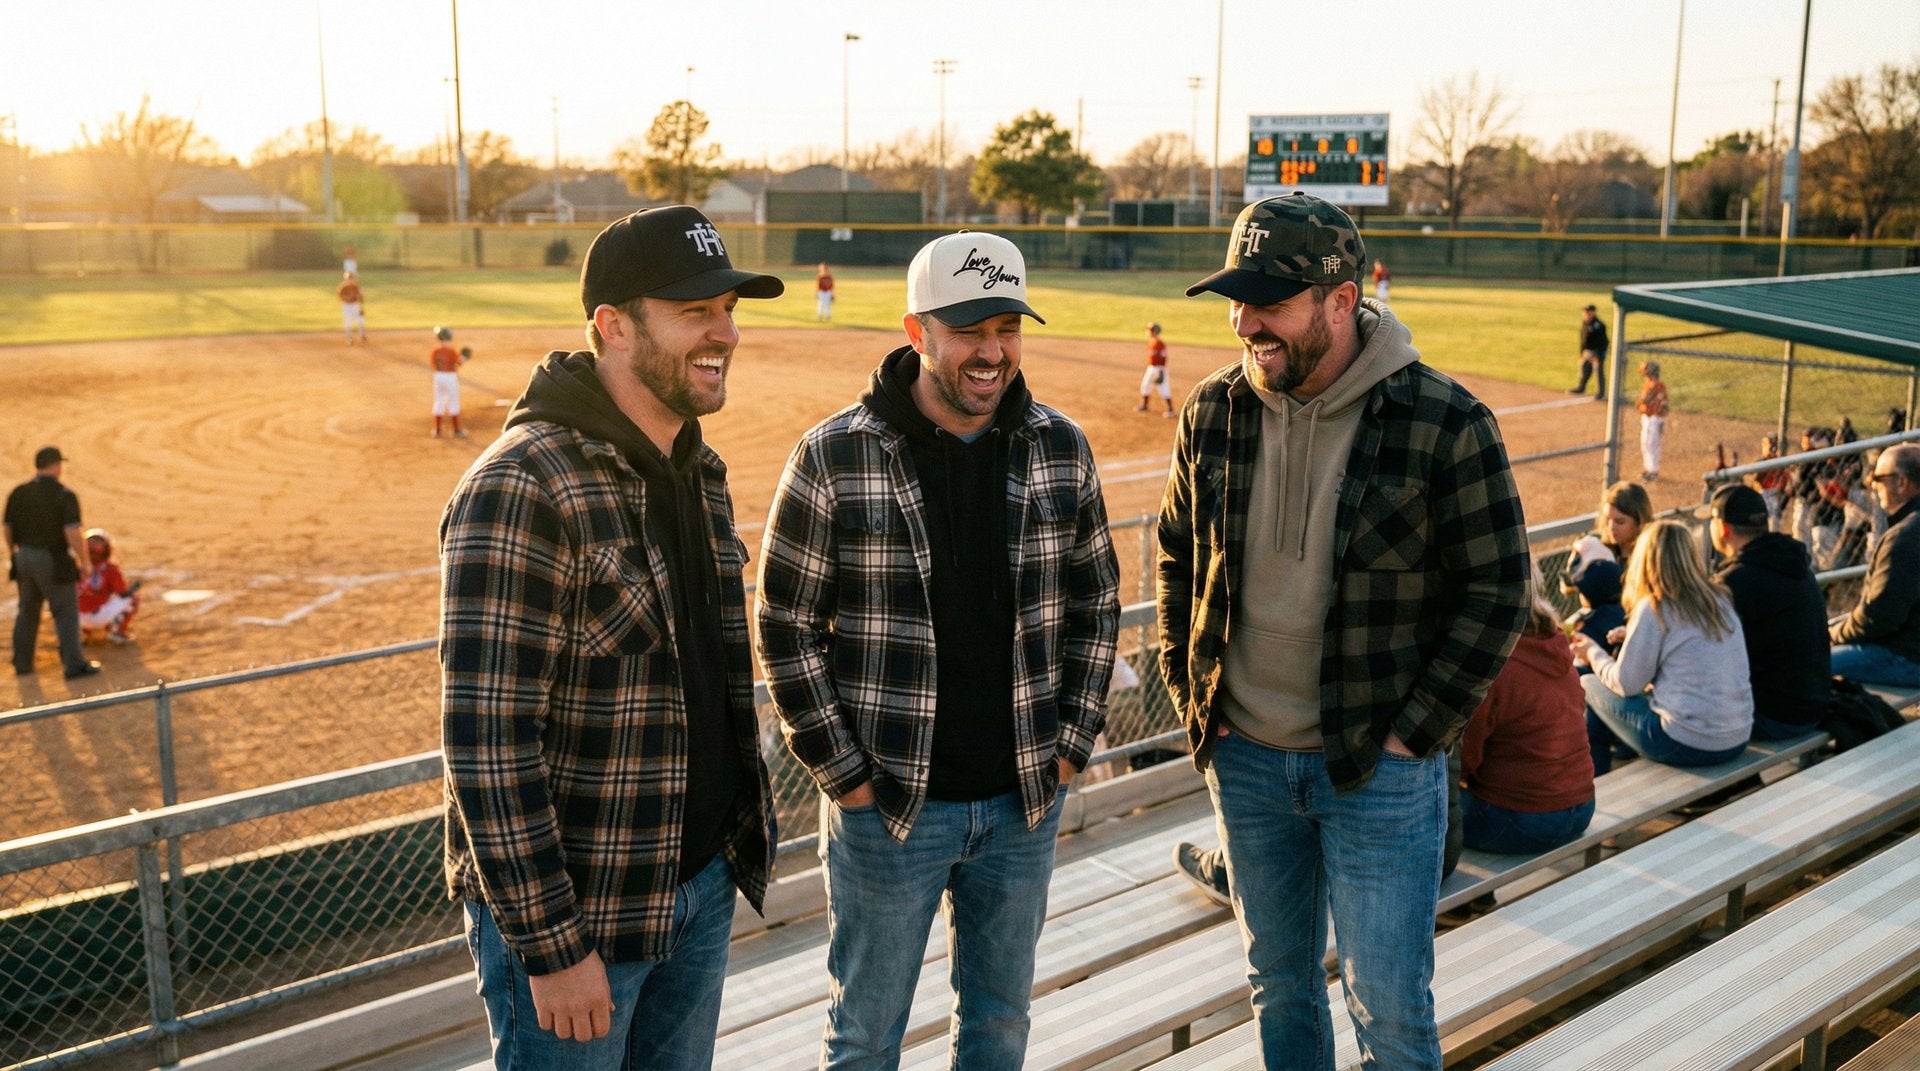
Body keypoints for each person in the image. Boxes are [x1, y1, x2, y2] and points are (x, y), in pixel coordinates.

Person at [1158, 192, 1530, 1069]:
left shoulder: (1445, 421)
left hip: (1377, 770)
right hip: (1244, 756)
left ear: (1340, 298)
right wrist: (1192, 694)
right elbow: (1176, 555)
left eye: (1270, 301)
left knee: (1391, 1011)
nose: (1247, 322)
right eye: (1239, 301)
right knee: (1278, 985)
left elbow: (1501, 590)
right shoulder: (1213, 412)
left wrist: (1414, 734)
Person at [756, 229, 1121, 1069]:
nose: (993, 351)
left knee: (999, 1026)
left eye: (1007, 326)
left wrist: (1068, 750)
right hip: (888, 809)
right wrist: (844, 776)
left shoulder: (1059, 445)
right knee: (865, 1035)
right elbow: (784, 626)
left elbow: (1097, 606)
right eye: (969, 330)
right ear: (918, 331)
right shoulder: (833, 453)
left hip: (1023, 801)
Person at [439, 205, 781, 1071]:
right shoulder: (523, 483)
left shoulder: (696, 467)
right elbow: (485, 741)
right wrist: (552, 947)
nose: (725, 332)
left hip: (697, 885)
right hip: (583, 918)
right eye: (696, 310)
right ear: (613, 325)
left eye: (731, 308)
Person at [1572, 519, 1753, 776]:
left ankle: (1596, 780)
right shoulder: (1718, 599)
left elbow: (1626, 683)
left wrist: (1592, 652)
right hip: (1737, 737)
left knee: (1590, 684)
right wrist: (1633, 636)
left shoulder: (1655, 606)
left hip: (1683, 743)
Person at [1460, 559, 1594, 854]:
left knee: (1425, 811)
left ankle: (1470, 898)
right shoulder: (1554, 642)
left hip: (1523, 819)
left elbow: (1464, 759)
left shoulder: (1495, 661)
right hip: (1582, 806)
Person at [1701, 483, 1829, 739]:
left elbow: (1708, 659)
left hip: (1775, 717)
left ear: (1723, 528)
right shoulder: (1795, 563)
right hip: (1814, 705)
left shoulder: (1734, 582)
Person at [1829, 443, 1920, 686]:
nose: (1871, 484)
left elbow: (1879, 617)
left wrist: (1836, 634)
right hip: (1908, 646)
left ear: (1901, 482)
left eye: (1878, 478)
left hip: (1906, 656)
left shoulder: (1906, 536)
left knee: (1806, 663)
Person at [6, 446, 100, 680]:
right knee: (65, 611)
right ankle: (74, 665)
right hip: (52, 559)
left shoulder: (19, 492)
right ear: (56, 466)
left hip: (24, 556)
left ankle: (22, 663)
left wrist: (14, 554)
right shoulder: (64, 494)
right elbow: (71, 532)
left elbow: (7, 528)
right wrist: (84, 560)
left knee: (27, 610)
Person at [76, 527, 139, 645]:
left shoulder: (76, 567)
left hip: (75, 619)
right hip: (99, 618)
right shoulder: (110, 569)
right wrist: (131, 590)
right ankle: (117, 632)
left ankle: (80, 633)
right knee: (132, 599)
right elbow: (122, 592)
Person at [429, 326, 469, 439]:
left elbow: (433, 364)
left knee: (439, 401)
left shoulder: (435, 351)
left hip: (438, 376)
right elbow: (457, 364)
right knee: (453, 402)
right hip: (450, 377)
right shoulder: (451, 351)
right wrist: (464, 358)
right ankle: (456, 429)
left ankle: (436, 430)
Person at [1637, 360, 1668, 481]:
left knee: (1651, 444)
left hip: (1654, 419)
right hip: (1649, 418)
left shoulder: (1656, 386)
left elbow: (1648, 401)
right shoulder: (1651, 385)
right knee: (1647, 444)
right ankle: (1649, 469)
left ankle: (1653, 471)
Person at [1569, 304, 1608, 399]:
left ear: (1593, 312)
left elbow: (1603, 341)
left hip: (1597, 352)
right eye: (1584, 311)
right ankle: (1581, 388)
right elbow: (1583, 339)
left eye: (1587, 311)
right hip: (1588, 351)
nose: (1585, 313)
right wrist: (1581, 352)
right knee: (1585, 369)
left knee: (1598, 371)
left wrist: (1598, 355)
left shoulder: (1598, 325)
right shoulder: (1586, 323)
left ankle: (1601, 393)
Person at [1137, 321, 1175, 417]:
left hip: (1159, 369)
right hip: (1151, 368)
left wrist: (1161, 371)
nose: (1148, 332)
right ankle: (1145, 405)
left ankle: (1171, 410)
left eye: (1150, 330)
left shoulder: (1160, 344)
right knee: (1145, 386)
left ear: (1154, 332)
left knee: (1163, 388)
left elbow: (1163, 358)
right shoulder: (1152, 343)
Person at [338, 271, 368, 345]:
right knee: (348, 322)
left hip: (355, 305)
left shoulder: (356, 287)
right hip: (346, 306)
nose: (350, 279)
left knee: (360, 321)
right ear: (346, 278)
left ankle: (362, 335)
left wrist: (361, 308)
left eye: (351, 278)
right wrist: (347, 298)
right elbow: (340, 296)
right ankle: (349, 338)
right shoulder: (343, 287)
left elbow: (361, 297)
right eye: (349, 278)